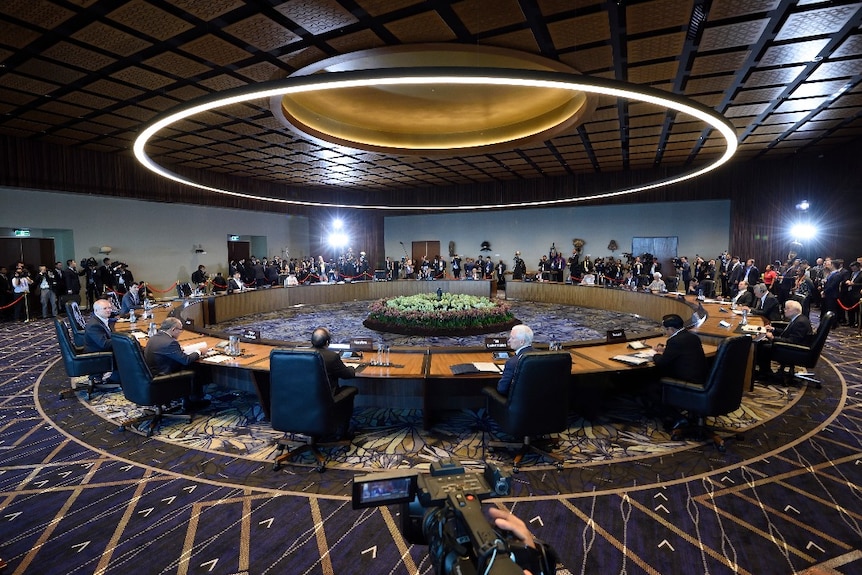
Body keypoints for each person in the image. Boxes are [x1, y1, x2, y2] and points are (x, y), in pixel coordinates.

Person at [144, 317, 210, 409]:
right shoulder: (170, 343)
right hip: (163, 378)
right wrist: (199, 351)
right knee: (195, 368)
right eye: (180, 330)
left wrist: (179, 350)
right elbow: (186, 360)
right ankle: (192, 402)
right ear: (173, 329)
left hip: (152, 374)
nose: (180, 332)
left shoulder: (154, 338)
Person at [754, 299, 812, 380]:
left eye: (787, 308)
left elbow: (792, 341)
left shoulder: (800, 322)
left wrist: (773, 338)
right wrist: (773, 329)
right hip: (793, 347)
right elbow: (787, 332)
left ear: (796, 310)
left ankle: (764, 373)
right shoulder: (797, 318)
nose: (784, 310)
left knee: (762, 347)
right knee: (762, 343)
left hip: (795, 351)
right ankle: (764, 370)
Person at [652, 314, 707, 384]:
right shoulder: (693, 337)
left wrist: (655, 355)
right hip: (700, 378)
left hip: (685, 381)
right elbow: (682, 351)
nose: (665, 332)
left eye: (665, 329)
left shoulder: (674, 341)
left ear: (671, 329)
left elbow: (662, 362)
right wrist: (664, 350)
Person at [310, 327, 355, 393]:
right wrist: (352, 368)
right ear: (327, 342)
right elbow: (347, 375)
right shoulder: (332, 357)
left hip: (306, 396)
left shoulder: (302, 354)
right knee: (351, 389)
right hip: (327, 397)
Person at [84, 298, 120, 383]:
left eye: (109, 308)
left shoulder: (101, 320)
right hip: (98, 355)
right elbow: (104, 344)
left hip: (102, 351)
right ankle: (116, 378)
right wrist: (122, 340)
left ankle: (119, 375)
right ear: (96, 310)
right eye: (105, 308)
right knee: (127, 350)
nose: (109, 310)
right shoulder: (94, 325)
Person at [496, 324, 534, 395]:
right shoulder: (543, 356)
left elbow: (502, 389)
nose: (509, 341)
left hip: (518, 401)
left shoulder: (512, 362)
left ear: (522, 342)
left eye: (512, 338)